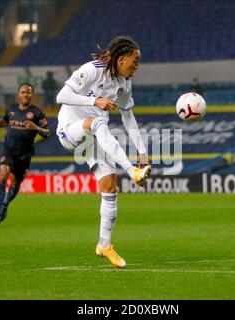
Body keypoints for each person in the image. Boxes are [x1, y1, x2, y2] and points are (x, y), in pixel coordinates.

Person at [55, 35, 151, 268]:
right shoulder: (92, 70)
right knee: (98, 123)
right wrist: (96, 101)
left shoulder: (124, 84)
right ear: (120, 59)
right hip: (70, 130)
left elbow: (128, 117)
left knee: (109, 185)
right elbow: (61, 96)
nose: (137, 67)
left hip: (93, 138)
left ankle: (104, 245)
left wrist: (143, 153)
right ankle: (132, 172)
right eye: (134, 61)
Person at [0, 83, 49, 227]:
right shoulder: (12, 109)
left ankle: (5, 205)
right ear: (18, 94)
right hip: (9, 150)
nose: (25, 95)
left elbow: (47, 133)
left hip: (24, 155)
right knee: (3, 175)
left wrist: (36, 127)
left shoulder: (37, 113)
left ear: (32, 95)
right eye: (23, 92)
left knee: (15, 182)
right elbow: (5, 120)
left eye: (28, 92)